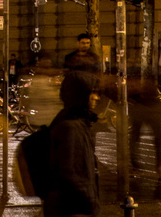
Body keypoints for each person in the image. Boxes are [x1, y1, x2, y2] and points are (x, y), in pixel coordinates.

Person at [46, 71, 100, 217]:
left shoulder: (79, 123)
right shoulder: (70, 127)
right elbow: (69, 176)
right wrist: (88, 204)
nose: (97, 97)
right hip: (73, 210)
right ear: (80, 95)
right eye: (92, 93)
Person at [125, 63, 161, 181]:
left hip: (150, 107)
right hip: (143, 107)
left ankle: (157, 166)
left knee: (154, 138)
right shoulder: (142, 72)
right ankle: (153, 166)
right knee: (138, 137)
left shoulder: (141, 74)